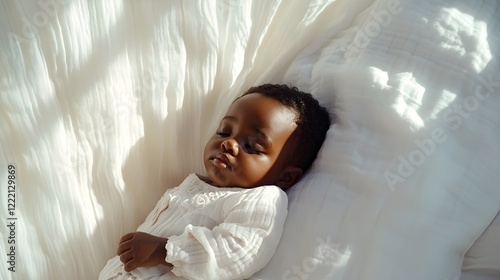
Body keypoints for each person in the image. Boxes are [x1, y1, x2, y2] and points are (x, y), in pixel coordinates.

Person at [99, 84, 332, 280]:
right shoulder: (191, 186)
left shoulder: (262, 198)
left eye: (252, 146)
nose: (229, 144)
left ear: (286, 176)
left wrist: (165, 251)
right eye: (224, 131)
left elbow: (241, 251)